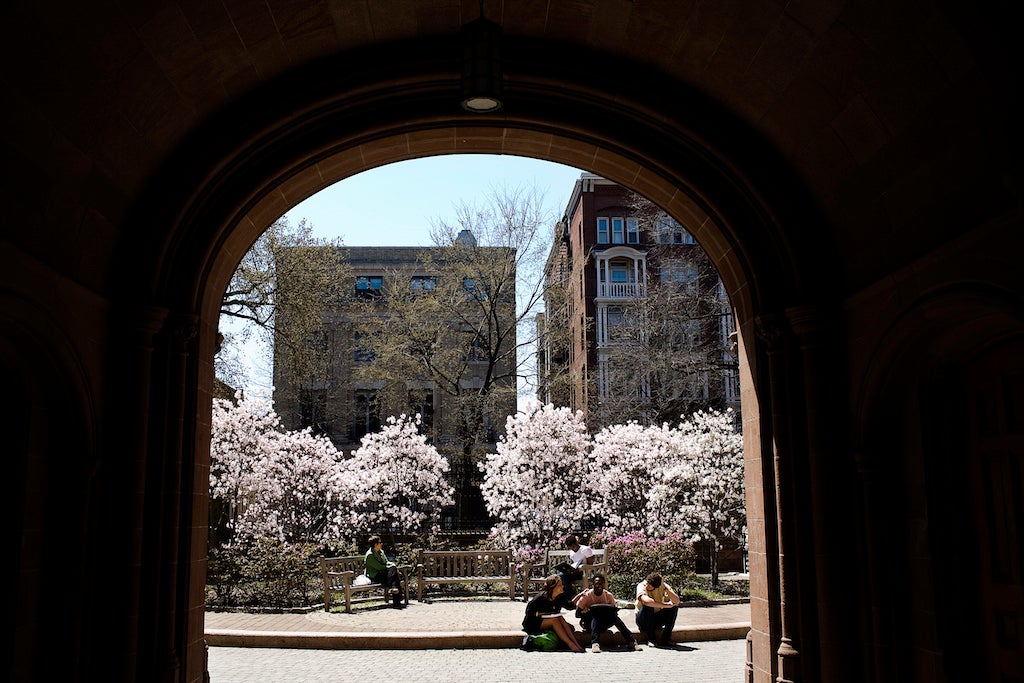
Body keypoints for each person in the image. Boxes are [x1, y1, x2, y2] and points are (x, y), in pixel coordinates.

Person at [573, 574, 642, 652]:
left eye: (601, 584)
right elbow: (577, 614)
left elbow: (614, 612)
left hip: (603, 623)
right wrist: (587, 612)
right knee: (596, 615)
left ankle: (631, 641)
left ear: (604, 585)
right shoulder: (586, 596)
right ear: (593, 584)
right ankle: (595, 643)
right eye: (596, 584)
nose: (598, 586)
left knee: (615, 618)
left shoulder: (608, 596)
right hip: (588, 623)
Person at [522, 575, 586, 653]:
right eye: (559, 585)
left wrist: (580, 597)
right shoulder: (540, 598)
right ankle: (570, 645)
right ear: (553, 587)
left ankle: (576, 643)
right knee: (555, 620)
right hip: (533, 623)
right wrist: (542, 613)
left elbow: (570, 605)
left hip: (550, 620)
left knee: (560, 618)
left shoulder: (559, 597)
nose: (562, 586)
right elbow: (530, 614)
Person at [635, 571, 680, 647]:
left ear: (656, 586)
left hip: (655, 619)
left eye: (650, 585)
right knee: (648, 606)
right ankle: (651, 639)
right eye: (647, 583)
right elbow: (647, 601)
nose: (647, 586)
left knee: (674, 607)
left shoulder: (662, 586)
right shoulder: (641, 585)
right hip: (643, 620)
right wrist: (665, 605)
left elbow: (676, 601)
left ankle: (666, 639)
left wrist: (665, 588)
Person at [364, 535, 404, 608]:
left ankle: (393, 589)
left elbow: (386, 562)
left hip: (383, 573)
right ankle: (396, 601)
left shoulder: (381, 552)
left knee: (393, 574)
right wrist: (392, 567)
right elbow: (379, 567)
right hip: (374, 576)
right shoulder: (370, 555)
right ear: (375, 544)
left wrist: (393, 565)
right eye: (380, 542)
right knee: (394, 576)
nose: (381, 544)